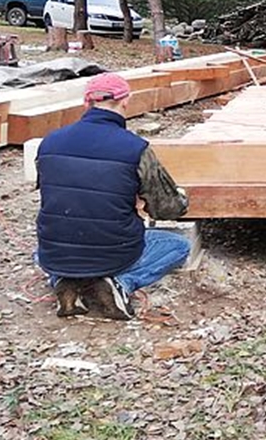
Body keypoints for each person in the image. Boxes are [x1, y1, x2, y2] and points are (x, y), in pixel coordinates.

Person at [35, 73, 191, 320]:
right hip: (114, 253)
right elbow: (168, 209)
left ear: (86, 103)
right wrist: (176, 197)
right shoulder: (135, 148)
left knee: (41, 251)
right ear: (125, 101)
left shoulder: (49, 142)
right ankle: (120, 283)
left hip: (56, 253)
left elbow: (57, 192)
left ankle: (64, 281)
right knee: (178, 245)